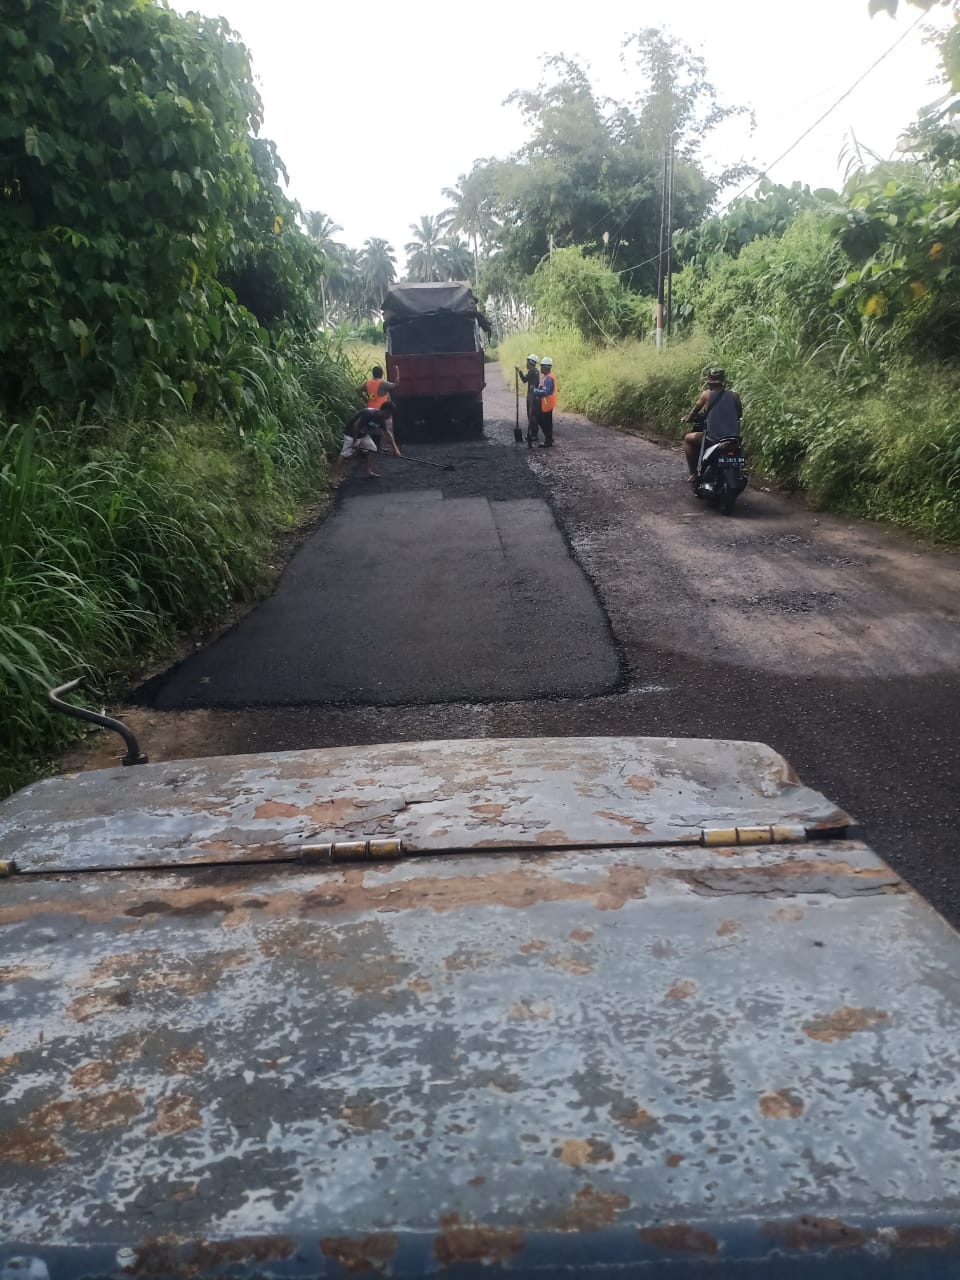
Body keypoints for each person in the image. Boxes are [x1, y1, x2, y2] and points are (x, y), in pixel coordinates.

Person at [683, 368, 743, 480]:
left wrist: (688, 419)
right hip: (733, 439)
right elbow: (739, 414)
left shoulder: (706, 395)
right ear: (724, 382)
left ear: (709, 382)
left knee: (688, 439)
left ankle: (694, 474)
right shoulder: (735, 396)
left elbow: (694, 411)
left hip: (713, 438)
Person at [328, 404, 400, 488]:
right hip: (351, 434)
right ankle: (334, 478)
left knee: (372, 448)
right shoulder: (369, 413)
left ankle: (369, 471)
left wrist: (395, 449)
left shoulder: (381, 419)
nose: (390, 416)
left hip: (363, 434)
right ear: (385, 411)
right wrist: (355, 441)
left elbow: (388, 433)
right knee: (345, 454)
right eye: (390, 414)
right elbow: (356, 425)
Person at [514, 354, 541, 447]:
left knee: (532, 414)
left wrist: (519, 371)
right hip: (533, 395)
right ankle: (533, 433)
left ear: (531, 363)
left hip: (532, 396)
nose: (526, 364)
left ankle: (534, 434)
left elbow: (524, 380)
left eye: (527, 362)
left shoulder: (532, 372)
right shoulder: (535, 372)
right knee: (532, 414)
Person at [533, 356, 557, 447]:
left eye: (542, 366)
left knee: (544, 422)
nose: (541, 368)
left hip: (547, 403)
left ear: (546, 367)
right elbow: (544, 388)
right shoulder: (546, 377)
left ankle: (548, 440)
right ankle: (549, 438)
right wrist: (539, 388)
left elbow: (547, 392)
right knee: (546, 422)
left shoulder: (549, 378)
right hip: (546, 403)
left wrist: (536, 391)